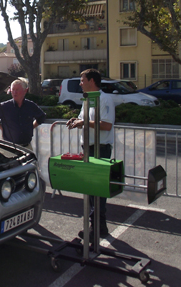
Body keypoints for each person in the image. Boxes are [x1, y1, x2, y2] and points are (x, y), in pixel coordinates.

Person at [66, 68, 115, 239]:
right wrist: (76, 121)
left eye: (82, 80)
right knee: (90, 190)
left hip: (100, 149)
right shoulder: (88, 99)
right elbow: (84, 119)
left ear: (92, 81)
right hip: (88, 149)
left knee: (98, 189)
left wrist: (83, 121)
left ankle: (97, 227)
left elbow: (106, 125)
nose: (80, 84)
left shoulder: (105, 99)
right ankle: (97, 227)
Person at [0, 79, 46, 149]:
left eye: (17, 90)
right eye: (13, 90)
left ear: (25, 91)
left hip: (27, 147)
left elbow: (42, 116)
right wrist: (2, 127)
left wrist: (32, 126)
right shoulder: (4, 106)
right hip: (9, 148)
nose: (14, 92)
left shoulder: (31, 106)